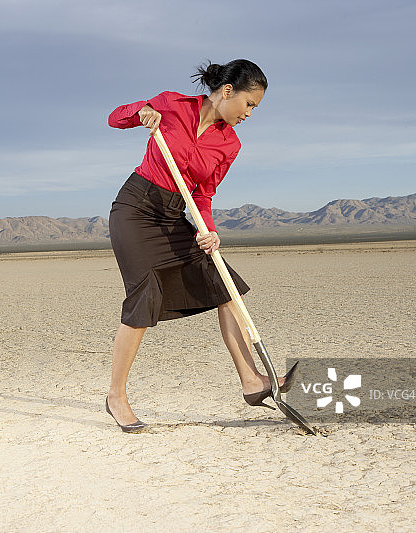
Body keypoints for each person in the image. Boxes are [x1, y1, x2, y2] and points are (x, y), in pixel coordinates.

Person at [105, 59, 297, 432]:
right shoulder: (172, 105)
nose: (249, 114)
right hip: (135, 211)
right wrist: (140, 112)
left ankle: (252, 381)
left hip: (176, 216)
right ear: (228, 91)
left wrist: (207, 232)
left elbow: (204, 194)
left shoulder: (230, 144)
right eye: (249, 104)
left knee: (226, 288)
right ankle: (116, 397)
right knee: (144, 300)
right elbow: (115, 117)